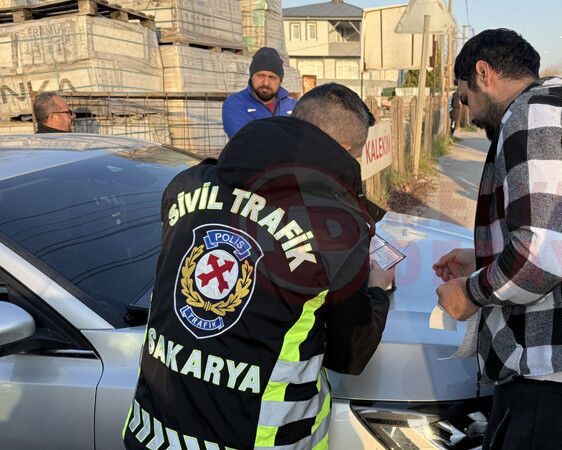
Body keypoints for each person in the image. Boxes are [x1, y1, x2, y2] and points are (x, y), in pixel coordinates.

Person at [124, 83, 392, 450]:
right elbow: (350, 353)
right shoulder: (337, 229)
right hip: (262, 440)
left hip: (153, 433)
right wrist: (379, 289)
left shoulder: (186, 184)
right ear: (346, 151)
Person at [432, 29, 562, 449]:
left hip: (559, 381)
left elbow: (541, 258)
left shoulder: (534, 115)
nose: (469, 114)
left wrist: (471, 293)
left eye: (464, 97)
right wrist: (482, 260)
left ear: (483, 73)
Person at [222, 47, 297, 138]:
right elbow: (247, 140)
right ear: (251, 76)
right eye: (260, 76)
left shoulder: (294, 106)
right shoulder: (235, 104)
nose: (266, 83)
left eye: (272, 77)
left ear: (280, 81)